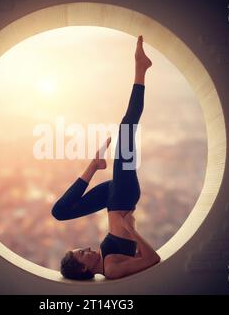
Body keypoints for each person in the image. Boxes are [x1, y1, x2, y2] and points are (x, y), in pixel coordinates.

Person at [51, 35, 161, 280]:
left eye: (82, 250)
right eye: (83, 254)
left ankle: (95, 164)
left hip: (112, 197)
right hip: (123, 196)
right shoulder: (111, 270)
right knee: (126, 129)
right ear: (83, 268)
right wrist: (131, 232)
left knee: (59, 212)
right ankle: (141, 69)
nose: (88, 248)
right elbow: (152, 259)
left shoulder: (104, 259)